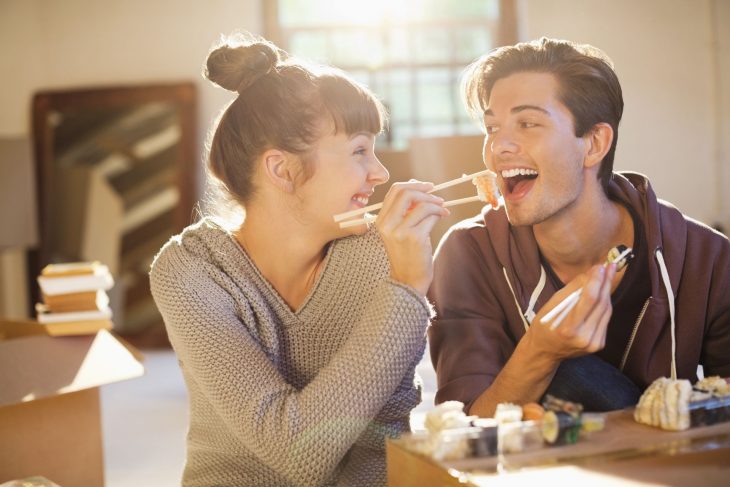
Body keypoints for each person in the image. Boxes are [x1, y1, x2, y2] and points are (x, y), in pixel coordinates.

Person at [149, 33, 448, 486]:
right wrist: (406, 290)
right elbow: (297, 453)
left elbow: (383, 440)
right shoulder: (190, 272)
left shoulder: (380, 251)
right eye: (359, 150)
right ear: (282, 169)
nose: (381, 173)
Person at [428, 37, 730, 417]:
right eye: (491, 128)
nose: (498, 146)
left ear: (594, 143)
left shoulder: (708, 259)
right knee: (569, 374)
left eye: (527, 123)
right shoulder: (467, 254)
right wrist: (541, 352)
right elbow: (464, 426)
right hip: (534, 475)